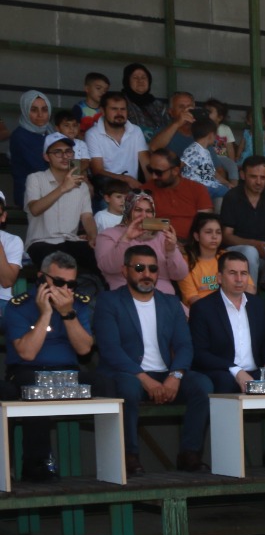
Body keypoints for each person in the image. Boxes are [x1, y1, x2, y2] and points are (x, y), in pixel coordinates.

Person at [91, 245, 213, 474]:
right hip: (127, 373)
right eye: (139, 268)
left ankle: (190, 454)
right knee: (126, 388)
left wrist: (175, 377)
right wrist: (145, 379)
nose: (147, 274)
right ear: (124, 270)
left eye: (152, 269)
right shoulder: (109, 301)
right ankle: (129, 455)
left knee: (202, 385)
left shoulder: (170, 302)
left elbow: (184, 345)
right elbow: (110, 349)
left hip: (165, 373)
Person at [190, 251, 265, 466]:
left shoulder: (257, 304)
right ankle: (229, 458)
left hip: (256, 371)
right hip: (223, 371)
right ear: (219, 278)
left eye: (244, 274)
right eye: (233, 273)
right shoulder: (202, 308)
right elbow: (199, 354)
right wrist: (235, 370)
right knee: (224, 382)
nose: (239, 279)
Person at [2, 252, 95, 482]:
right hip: (28, 371)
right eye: (59, 282)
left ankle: (120, 463)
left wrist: (66, 313)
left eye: (71, 284)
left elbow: (84, 349)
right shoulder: (19, 306)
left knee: (109, 385)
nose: (66, 289)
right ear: (42, 278)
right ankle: (36, 465)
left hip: (68, 371)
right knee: (35, 389)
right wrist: (45, 314)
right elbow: (27, 352)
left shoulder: (77, 305)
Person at [23, 132, 98, 272]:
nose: (64, 156)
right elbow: (35, 209)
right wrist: (63, 188)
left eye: (68, 151)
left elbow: (87, 217)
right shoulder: (35, 178)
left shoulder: (81, 185)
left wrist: (93, 237)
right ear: (46, 157)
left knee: (95, 262)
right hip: (41, 242)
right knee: (56, 266)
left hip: (71, 241)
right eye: (57, 152)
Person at [94, 191, 188, 295]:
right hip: (127, 297)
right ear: (128, 211)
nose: (144, 215)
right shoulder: (108, 235)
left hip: (165, 300)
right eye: (138, 210)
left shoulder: (162, 237)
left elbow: (180, 275)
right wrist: (126, 239)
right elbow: (108, 267)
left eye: (148, 211)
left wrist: (171, 251)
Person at [218, 155, 265, 283]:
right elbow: (226, 236)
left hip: (264, 251)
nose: (259, 182)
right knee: (250, 252)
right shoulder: (232, 197)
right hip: (235, 252)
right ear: (243, 175)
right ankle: (250, 298)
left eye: (263, 177)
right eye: (253, 176)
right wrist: (254, 244)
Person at [144, 147, 213, 241]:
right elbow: (141, 222)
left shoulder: (197, 189)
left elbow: (205, 224)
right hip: (159, 241)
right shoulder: (145, 190)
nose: (153, 176)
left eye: (158, 172)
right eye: (150, 170)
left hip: (192, 244)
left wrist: (161, 224)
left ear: (175, 171)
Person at [176, 212, 233, 307]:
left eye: (218, 232)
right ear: (197, 236)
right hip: (200, 313)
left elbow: (250, 288)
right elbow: (193, 299)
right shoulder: (184, 262)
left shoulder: (228, 257)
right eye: (208, 232)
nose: (214, 236)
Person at [10, 91, 54, 187]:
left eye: (44, 110)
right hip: (30, 192)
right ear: (25, 110)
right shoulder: (20, 136)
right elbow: (39, 167)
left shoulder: (50, 130)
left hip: (52, 187)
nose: (40, 115)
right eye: (34, 110)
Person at [118, 63, 167, 141]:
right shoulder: (120, 102)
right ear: (127, 81)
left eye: (144, 77)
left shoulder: (158, 105)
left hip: (158, 149)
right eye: (135, 77)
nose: (140, 81)